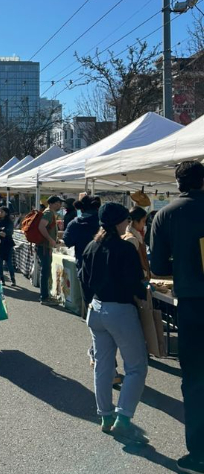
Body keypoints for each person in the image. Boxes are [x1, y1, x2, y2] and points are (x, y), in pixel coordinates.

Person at [149, 161, 204, 473]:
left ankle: (199, 454)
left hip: (192, 304)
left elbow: (158, 267)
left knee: (195, 380)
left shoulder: (166, 214)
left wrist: (182, 267)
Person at [80, 202, 149, 445]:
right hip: (120, 310)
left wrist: (90, 304)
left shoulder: (91, 245)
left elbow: (83, 279)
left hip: (96, 309)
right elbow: (135, 282)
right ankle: (124, 418)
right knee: (136, 367)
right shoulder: (124, 248)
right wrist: (144, 291)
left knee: (103, 366)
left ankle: (105, 416)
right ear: (121, 221)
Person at [36, 196, 65, 306]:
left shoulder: (49, 213)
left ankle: (45, 295)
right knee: (45, 272)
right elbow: (41, 227)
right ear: (52, 203)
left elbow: (47, 228)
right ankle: (44, 297)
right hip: (44, 247)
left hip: (44, 246)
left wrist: (54, 239)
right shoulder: (48, 213)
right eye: (58, 203)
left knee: (46, 271)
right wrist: (50, 239)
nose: (60, 205)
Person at [122, 206, 151, 281]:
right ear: (135, 221)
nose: (144, 225)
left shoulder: (136, 235)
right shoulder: (131, 239)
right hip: (138, 279)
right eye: (143, 221)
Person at [0, 207, 16, 285]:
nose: (0, 213)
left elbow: (7, 233)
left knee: (8, 262)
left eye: (2, 212)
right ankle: (2, 279)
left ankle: (12, 278)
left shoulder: (9, 222)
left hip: (7, 244)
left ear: (6, 213)